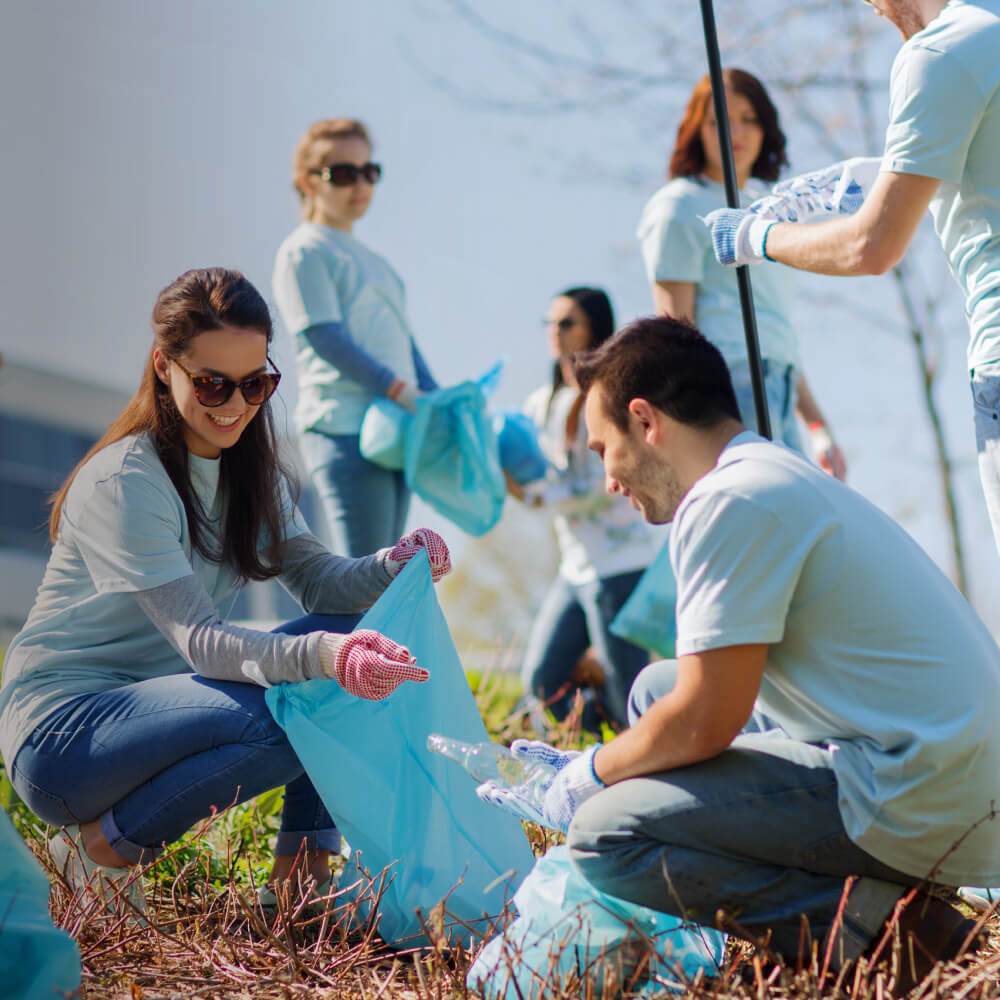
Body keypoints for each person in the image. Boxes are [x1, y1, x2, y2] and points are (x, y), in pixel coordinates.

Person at [478, 316, 1000, 990]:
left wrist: (587, 776)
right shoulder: (767, 473)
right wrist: (612, 762)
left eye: (603, 447)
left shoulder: (729, 502)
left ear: (646, 421)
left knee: (606, 833)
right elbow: (692, 699)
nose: (607, 480)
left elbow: (705, 721)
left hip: (928, 795)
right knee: (651, 693)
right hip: (947, 771)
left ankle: (903, 935)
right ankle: (864, 902)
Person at [0, 268, 451, 914]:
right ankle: (102, 847)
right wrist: (326, 658)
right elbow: (203, 642)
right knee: (300, 710)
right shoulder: (127, 481)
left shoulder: (250, 471)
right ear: (164, 366)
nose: (235, 405)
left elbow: (322, 583)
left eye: (255, 383)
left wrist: (391, 563)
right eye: (211, 383)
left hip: (155, 714)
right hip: (61, 738)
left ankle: (300, 889)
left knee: (336, 656)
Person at [703, 1, 1000, 547]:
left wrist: (752, 237)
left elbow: (871, 247)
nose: (881, 16)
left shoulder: (940, 51)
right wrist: (885, 176)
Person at [639, 69, 846, 479]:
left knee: (800, 521)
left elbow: (775, 330)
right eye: (719, 120)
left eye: (749, 119)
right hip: (729, 385)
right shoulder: (679, 206)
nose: (736, 131)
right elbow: (675, 331)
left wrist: (818, 425)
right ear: (697, 129)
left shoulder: (768, 212)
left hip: (778, 385)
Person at [273, 117, 438, 557]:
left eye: (370, 172)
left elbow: (404, 343)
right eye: (344, 173)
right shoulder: (304, 249)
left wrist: (436, 398)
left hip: (396, 429)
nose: (360, 184)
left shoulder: (379, 262)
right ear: (308, 181)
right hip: (343, 428)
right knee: (363, 581)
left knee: (384, 579)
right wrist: (399, 388)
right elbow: (323, 336)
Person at [512, 288, 658, 731]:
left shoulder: (614, 395)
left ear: (593, 328)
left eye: (567, 323)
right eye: (550, 323)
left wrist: (537, 496)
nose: (555, 333)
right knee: (543, 681)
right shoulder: (541, 403)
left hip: (621, 563)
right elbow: (534, 467)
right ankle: (616, 741)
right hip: (574, 567)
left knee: (629, 688)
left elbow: (606, 480)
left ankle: (648, 760)